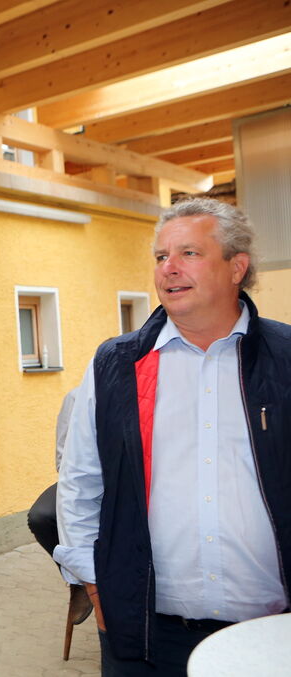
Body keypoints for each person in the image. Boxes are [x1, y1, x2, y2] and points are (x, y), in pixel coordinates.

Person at [55, 197, 291, 675]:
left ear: (237, 267)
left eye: (189, 253)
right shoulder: (116, 364)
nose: (169, 268)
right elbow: (80, 483)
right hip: (146, 633)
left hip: (271, 631)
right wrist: (97, 588)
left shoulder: (285, 358)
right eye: (161, 256)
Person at [26, 386, 91, 625]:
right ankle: (79, 579)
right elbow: (62, 458)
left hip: (131, 485)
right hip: (84, 482)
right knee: (41, 516)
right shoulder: (77, 396)